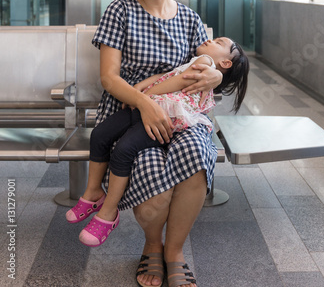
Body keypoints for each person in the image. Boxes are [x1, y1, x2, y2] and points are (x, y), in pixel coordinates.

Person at [69, 0, 240, 287]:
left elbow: (210, 68)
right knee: (151, 181)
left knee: (195, 154)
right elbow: (109, 78)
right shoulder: (121, 10)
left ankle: (174, 251)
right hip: (128, 111)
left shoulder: (190, 20)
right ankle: (152, 246)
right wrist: (146, 104)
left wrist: (213, 79)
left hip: (179, 116)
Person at [66, 37, 249, 251]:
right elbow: (169, 75)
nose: (209, 39)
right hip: (147, 106)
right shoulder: (199, 60)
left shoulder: (206, 62)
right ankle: (93, 192)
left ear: (225, 63)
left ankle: (108, 212)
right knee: (99, 134)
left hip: (164, 117)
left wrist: (146, 94)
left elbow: (182, 80)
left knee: (125, 149)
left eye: (219, 42)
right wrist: (138, 91)